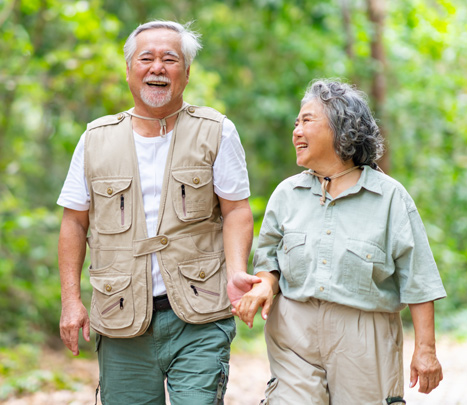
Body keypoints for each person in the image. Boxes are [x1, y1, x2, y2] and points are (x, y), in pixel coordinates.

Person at [57, 20, 259, 404]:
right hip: (120, 317)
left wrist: (235, 271)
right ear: (129, 69)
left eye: (170, 59)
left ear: (186, 72)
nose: (157, 68)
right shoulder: (95, 139)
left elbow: (236, 211)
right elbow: (74, 221)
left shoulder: (216, 130)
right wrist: (71, 300)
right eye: (146, 58)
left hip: (199, 315)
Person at [235, 79, 446, 404]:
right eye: (296, 123)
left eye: (307, 120)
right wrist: (264, 285)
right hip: (294, 332)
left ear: (341, 128)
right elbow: (269, 263)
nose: (296, 131)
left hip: (364, 338)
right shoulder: (286, 194)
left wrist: (426, 349)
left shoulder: (390, 198)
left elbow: (418, 278)